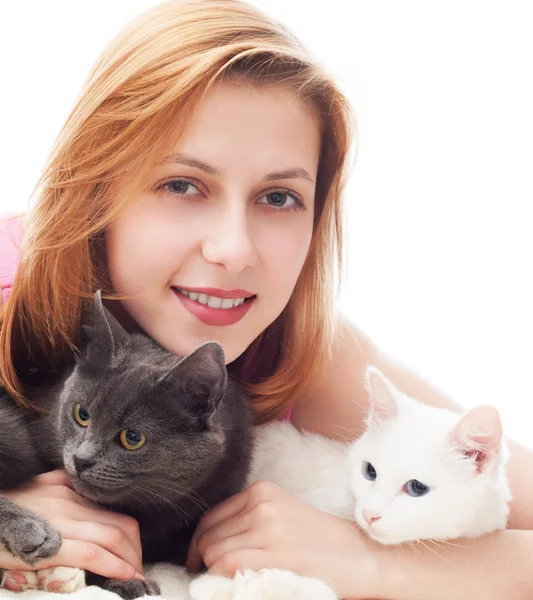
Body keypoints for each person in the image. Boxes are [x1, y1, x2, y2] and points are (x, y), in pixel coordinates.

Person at [0, 1, 532, 598]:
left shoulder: (298, 347)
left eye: (278, 198)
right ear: (96, 188)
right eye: (182, 185)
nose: (233, 249)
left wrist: (375, 563)